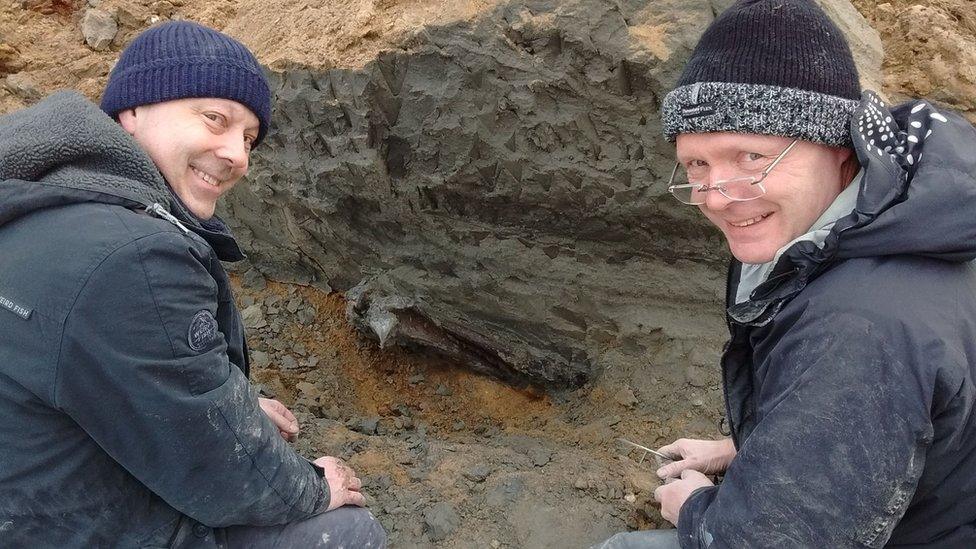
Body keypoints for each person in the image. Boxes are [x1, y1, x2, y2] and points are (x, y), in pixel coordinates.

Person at [595, 0, 976, 547]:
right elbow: (889, 419)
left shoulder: (859, 324)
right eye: (697, 164)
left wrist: (697, 509)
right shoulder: (907, 223)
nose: (718, 197)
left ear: (840, 147)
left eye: (751, 157)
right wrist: (744, 450)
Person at [0, 21, 386, 548]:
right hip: (70, 527)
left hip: (27, 498)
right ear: (132, 111)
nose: (238, 156)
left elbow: (117, 368)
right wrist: (315, 487)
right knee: (344, 530)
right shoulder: (133, 254)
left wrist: (235, 405)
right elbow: (216, 467)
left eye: (249, 138)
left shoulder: (41, 203)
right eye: (214, 119)